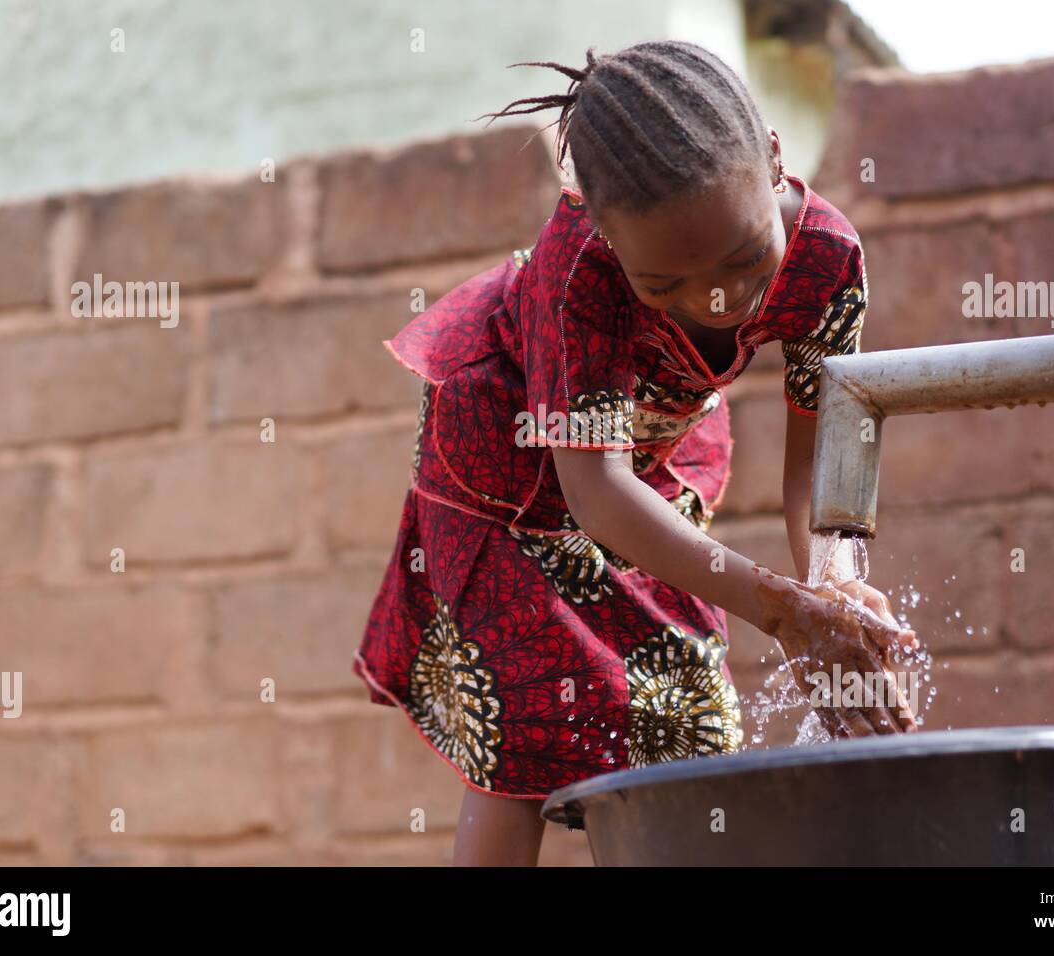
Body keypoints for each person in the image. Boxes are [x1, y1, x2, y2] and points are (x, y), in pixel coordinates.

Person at [353, 41, 918, 866]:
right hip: (501, 455)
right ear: (605, 234)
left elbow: (820, 462)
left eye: (741, 259)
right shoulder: (576, 270)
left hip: (645, 454)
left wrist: (833, 589)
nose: (714, 299)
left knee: (691, 709)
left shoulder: (826, 263)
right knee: (528, 721)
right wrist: (784, 611)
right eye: (664, 287)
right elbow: (597, 495)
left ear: (773, 158)